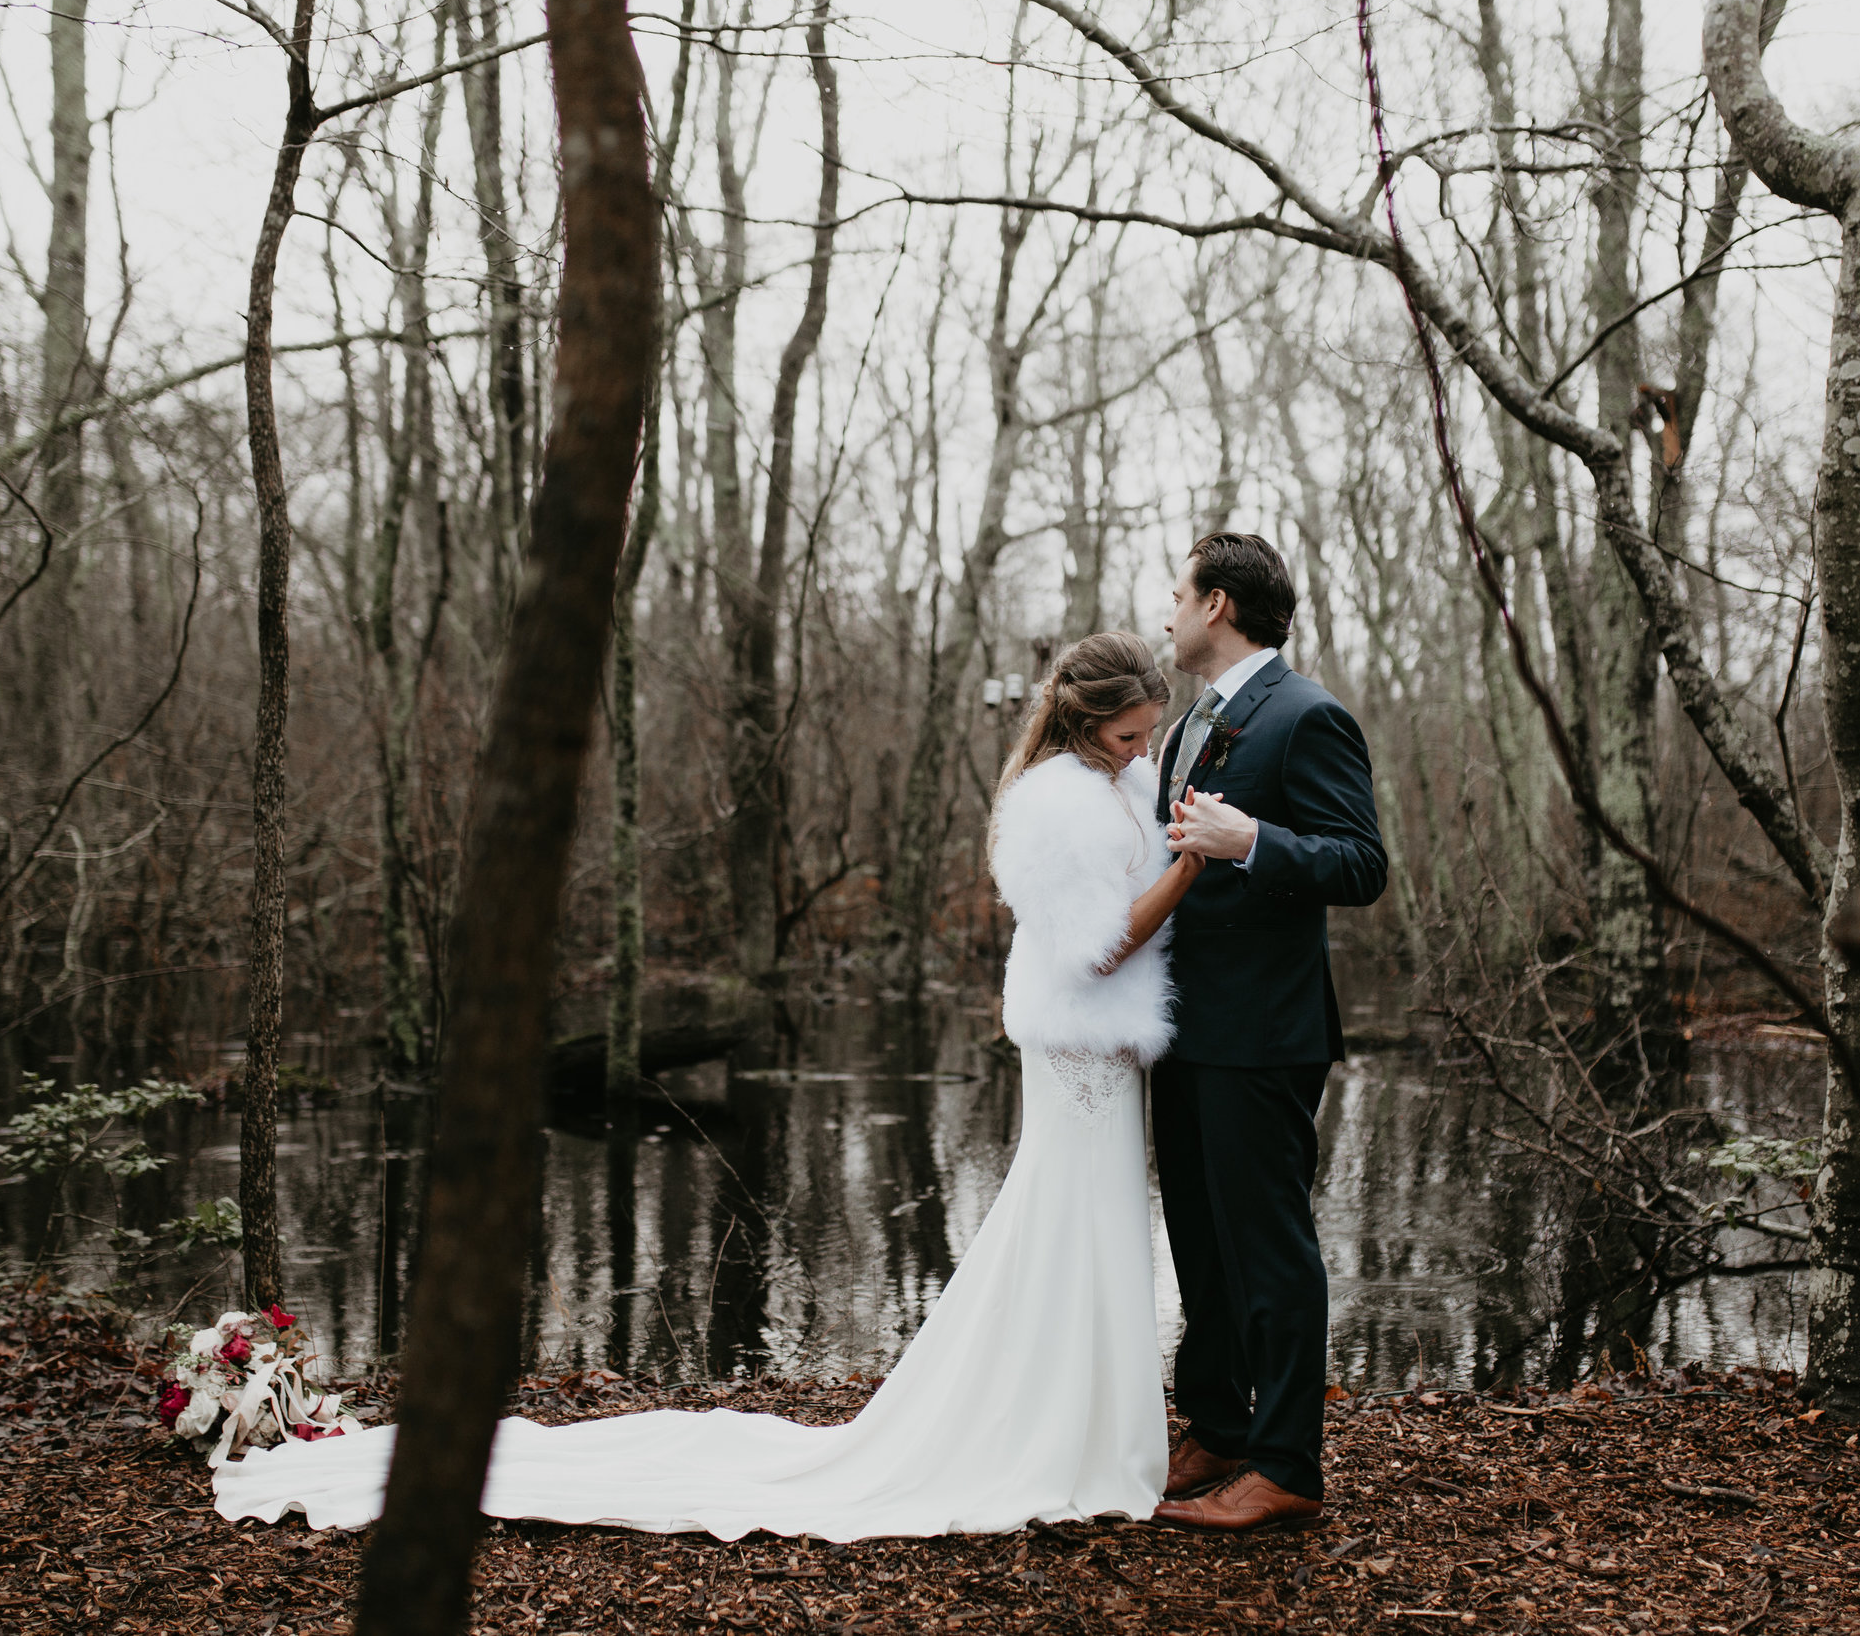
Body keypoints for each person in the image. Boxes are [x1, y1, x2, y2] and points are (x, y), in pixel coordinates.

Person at [213, 632, 1199, 1540]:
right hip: (1077, 1047)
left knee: (1096, 1225)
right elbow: (1101, 943)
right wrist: (1196, 861)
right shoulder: (1054, 804)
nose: (1139, 745)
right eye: (1126, 731)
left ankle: (1082, 1420)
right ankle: (1052, 1433)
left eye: (1148, 731)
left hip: (1111, 1051)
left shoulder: (1120, 779)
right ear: (1081, 720)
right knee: (1069, 1220)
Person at [1153, 531, 1387, 1534]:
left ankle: (1286, 1461)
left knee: (1270, 1250)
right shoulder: (1186, 724)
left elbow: (1361, 863)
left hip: (1263, 1032)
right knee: (1201, 1243)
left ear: (1216, 605)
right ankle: (1217, 1421)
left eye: (1177, 593)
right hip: (1182, 1025)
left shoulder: (1307, 714)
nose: (1166, 611)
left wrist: (1253, 840)